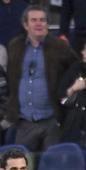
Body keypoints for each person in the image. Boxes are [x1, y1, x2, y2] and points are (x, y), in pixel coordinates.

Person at [6, 5, 78, 151]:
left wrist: (71, 91)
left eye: (42, 20)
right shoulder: (14, 46)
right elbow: (11, 80)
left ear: (47, 24)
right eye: (34, 20)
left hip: (52, 121)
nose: (39, 23)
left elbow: (78, 69)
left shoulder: (60, 46)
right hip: (24, 121)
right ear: (25, 25)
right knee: (22, 163)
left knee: (52, 163)